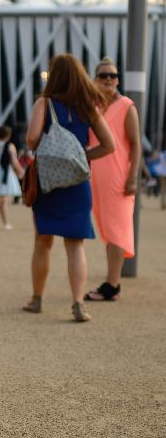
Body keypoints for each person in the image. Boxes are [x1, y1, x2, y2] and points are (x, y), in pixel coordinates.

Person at [22, 53, 115, 322]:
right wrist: (82, 157)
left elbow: (31, 140)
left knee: (43, 242)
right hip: (77, 183)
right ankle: (78, 303)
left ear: (54, 75)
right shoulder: (88, 106)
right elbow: (110, 145)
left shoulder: (44, 103)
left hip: (48, 183)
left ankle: (37, 299)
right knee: (76, 246)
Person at [85, 58, 141, 301]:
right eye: (103, 75)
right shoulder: (93, 106)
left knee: (117, 229)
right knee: (108, 228)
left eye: (113, 76)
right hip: (97, 176)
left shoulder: (127, 105)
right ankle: (112, 280)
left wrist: (132, 177)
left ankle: (112, 285)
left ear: (118, 80)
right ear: (95, 78)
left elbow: (136, 145)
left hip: (119, 177)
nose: (108, 79)